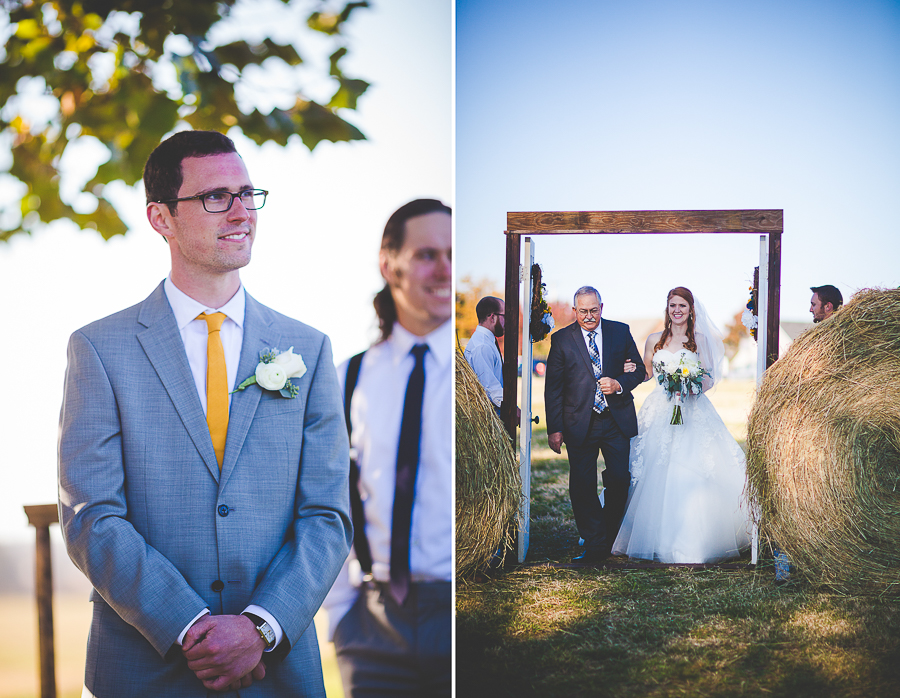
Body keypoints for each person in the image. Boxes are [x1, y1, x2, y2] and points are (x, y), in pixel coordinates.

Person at [57, 130, 352, 697]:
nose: (241, 211)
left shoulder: (308, 349)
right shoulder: (98, 348)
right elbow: (91, 517)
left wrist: (259, 629)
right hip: (147, 671)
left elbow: (327, 515)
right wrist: (193, 629)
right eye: (216, 196)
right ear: (160, 218)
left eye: (248, 193)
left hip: (279, 672)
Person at [323, 199, 452, 696]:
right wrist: (340, 615)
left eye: (450, 253)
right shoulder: (346, 380)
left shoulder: (473, 381)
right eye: (426, 254)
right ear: (388, 263)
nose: (443, 268)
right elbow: (321, 503)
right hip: (371, 627)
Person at [612, 286, 751, 563]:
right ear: (667, 308)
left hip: (692, 409)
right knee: (653, 467)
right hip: (661, 409)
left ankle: (695, 541)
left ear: (690, 310)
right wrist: (632, 371)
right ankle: (650, 536)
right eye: (672, 305)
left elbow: (709, 377)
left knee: (693, 467)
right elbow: (647, 373)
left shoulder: (701, 339)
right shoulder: (654, 339)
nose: (677, 310)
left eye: (682, 306)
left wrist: (692, 387)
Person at [544, 286, 646, 563]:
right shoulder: (562, 340)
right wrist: (555, 428)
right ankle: (595, 545)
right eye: (583, 311)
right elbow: (553, 388)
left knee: (620, 480)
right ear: (574, 310)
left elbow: (639, 369)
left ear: (602, 307)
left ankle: (609, 536)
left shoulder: (620, 332)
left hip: (616, 420)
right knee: (582, 485)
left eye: (594, 310)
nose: (589, 316)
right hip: (579, 422)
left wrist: (619, 384)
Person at [464, 296, 505, 410]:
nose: (507, 321)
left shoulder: (486, 341)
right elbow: (488, 386)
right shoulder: (482, 346)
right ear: (492, 317)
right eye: (505, 316)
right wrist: (512, 408)